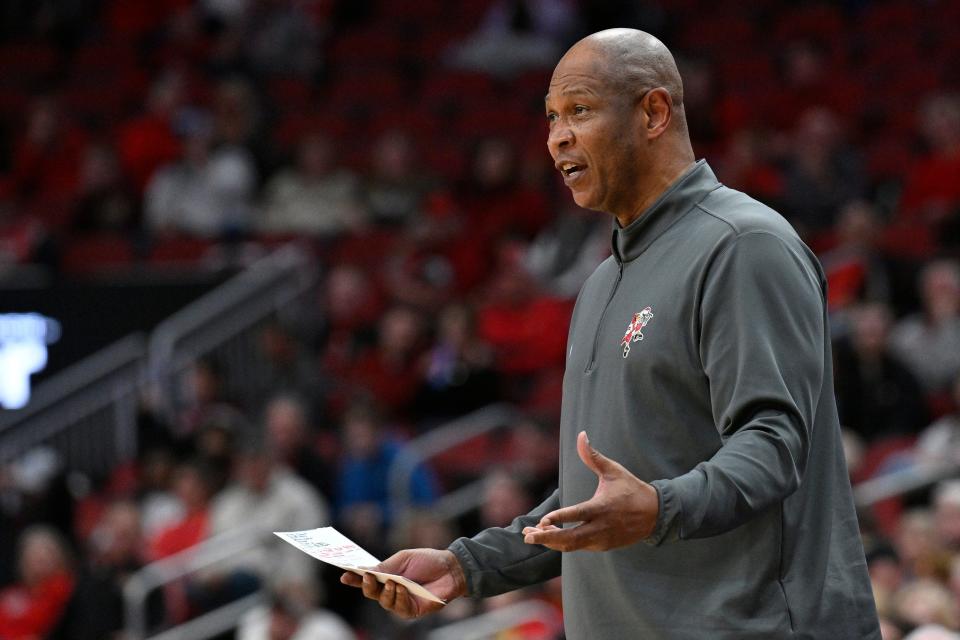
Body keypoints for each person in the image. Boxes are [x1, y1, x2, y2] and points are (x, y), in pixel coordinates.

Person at [343, 28, 881, 638]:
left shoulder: (742, 246)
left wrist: (659, 509)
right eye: (550, 118)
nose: (556, 138)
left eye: (579, 111)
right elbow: (600, 495)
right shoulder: (601, 282)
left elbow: (775, 445)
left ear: (653, 113)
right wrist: (466, 567)